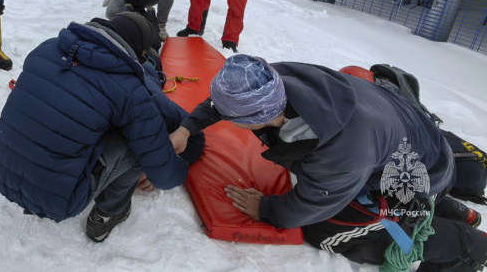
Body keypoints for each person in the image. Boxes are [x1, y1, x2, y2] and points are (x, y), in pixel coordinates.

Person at [170, 55, 487, 271]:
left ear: (255, 119)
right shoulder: (271, 80)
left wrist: (266, 210)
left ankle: (471, 245)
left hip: (421, 174)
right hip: (407, 139)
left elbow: (309, 205)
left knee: (327, 229)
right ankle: (457, 212)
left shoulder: (341, 151)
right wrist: (188, 127)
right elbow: (223, 101)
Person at [0, 12, 205, 242]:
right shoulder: (129, 88)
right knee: (137, 140)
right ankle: (107, 214)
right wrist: (175, 166)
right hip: (56, 199)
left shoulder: (47, 48)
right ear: (142, 54)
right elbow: (165, 174)